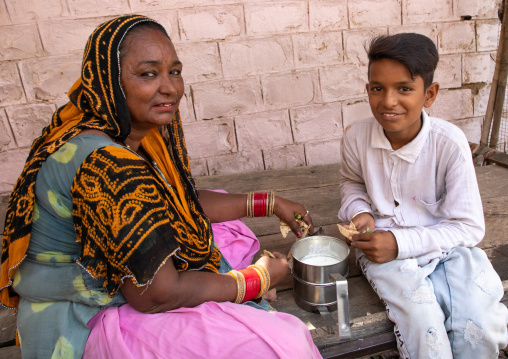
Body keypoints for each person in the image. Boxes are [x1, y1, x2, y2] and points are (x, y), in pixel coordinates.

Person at [0, 15, 322, 359]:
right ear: (110, 80)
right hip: (85, 316)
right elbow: (156, 295)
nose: (170, 88)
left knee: (229, 234)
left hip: (126, 281)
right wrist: (255, 280)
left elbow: (180, 204)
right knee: (282, 345)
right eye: (148, 74)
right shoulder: (107, 164)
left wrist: (270, 203)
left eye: (175, 71)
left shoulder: (106, 125)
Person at [338, 33, 508, 358]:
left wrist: (402, 242)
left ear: (429, 94)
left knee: (480, 325)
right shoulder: (355, 137)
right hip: (381, 253)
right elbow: (352, 184)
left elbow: (469, 229)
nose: (388, 101)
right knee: (423, 328)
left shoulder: (449, 144)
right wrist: (361, 212)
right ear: (368, 89)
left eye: (404, 88)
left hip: (448, 249)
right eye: (378, 88)